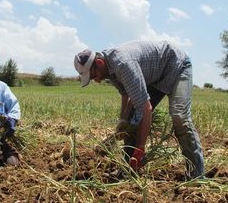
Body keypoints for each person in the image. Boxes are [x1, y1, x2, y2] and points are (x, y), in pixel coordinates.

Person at [74, 40, 204, 179]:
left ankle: (196, 175)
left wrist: (140, 148)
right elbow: (126, 93)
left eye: (93, 76)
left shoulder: (122, 65)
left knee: (179, 116)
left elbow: (145, 108)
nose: (96, 80)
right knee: (131, 117)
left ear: (99, 63)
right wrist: (123, 120)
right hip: (155, 77)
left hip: (176, 66)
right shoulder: (108, 69)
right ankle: (129, 169)